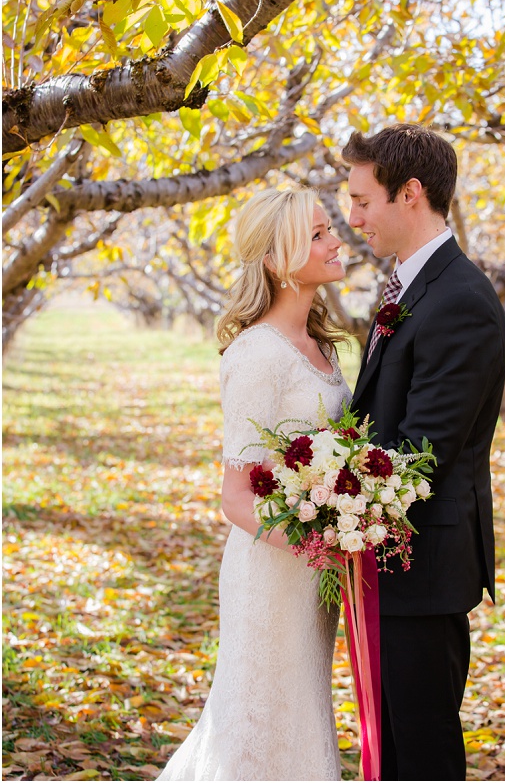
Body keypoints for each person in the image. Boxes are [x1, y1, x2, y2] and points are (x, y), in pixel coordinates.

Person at [159, 187, 350, 780]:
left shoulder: (321, 346)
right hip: (272, 573)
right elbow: (236, 497)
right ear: (275, 260)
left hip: (316, 572)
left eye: (328, 228)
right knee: (259, 720)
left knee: (302, 711)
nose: (335, 239)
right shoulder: (256, 354)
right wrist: (315, 545)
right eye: (316, 234)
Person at [343, 124, 505, 780]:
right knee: (393, 746)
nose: (353, 218)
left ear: (410, 193)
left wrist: (327, 501)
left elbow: (419, 455)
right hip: (390, 562)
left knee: (422, 753)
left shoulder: (459, 300)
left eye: (363, 200)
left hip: (421, 565)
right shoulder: (412, 287)